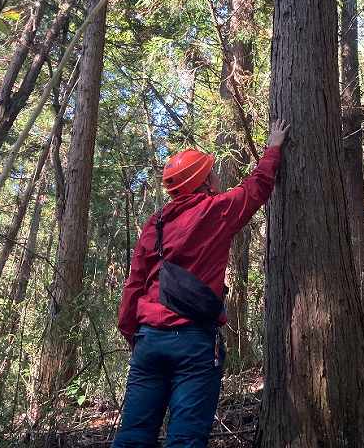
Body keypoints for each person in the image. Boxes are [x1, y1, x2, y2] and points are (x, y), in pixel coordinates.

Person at [112, 120, 290, 447]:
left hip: (149, 341)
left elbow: (134, 284)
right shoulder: (215, 211)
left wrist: (133, 336)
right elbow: (256, 189)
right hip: (193, 342)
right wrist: (274, 148)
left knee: (133, 435)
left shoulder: (157, 223)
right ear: (205, 181)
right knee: (186, 439)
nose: (218, 176)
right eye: (213, 172)